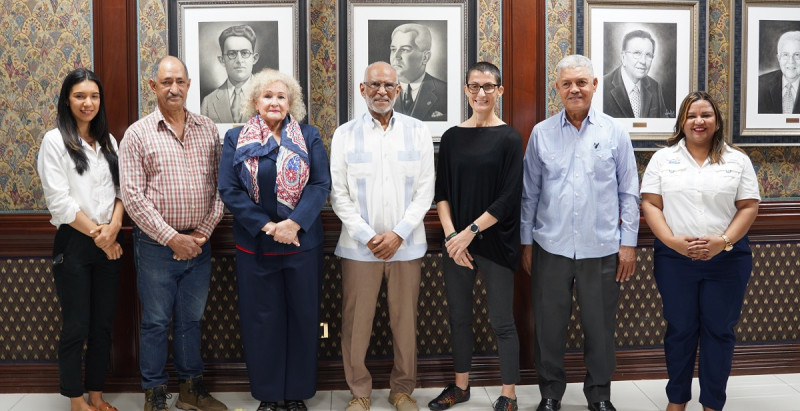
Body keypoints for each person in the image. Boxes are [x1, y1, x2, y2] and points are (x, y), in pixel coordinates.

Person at [520, 54, 640, 411]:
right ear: (557, 88)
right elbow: (530, 193)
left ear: (594, 86)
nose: (575, 89)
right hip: (550, 247)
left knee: (600, 329)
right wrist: (527, 243)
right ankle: (551, 394)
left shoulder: (615, 132)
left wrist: (629, 245)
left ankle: (599, 395)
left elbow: (629, 192)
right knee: (549, 328)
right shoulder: (541, 133)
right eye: (567, 83)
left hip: (602, 249)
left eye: (581, 82)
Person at [217, 68, 330, 411]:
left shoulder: (308, 136)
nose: (274, 102)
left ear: (291, 103)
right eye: (267, 96)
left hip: (302, 245)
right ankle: (268, 395)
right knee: (261, 320)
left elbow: (320, 185)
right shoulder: (236, 138)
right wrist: (269, 226)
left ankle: (295, 393)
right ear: (255, 101)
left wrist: (293, 224)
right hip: (255, 247)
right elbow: (229, 190)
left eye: (282, 96)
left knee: (303, 318)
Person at [119, 56, 227, 411]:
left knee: (191, 320)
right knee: (154, 321)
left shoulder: (208, 129)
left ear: (189, 84)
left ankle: (191, 390)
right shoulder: (137, 134)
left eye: (179, 81)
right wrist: (172, 238)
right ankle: (154, 394)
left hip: (199, 244)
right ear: (154, 86)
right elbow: (133, 197)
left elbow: (221, 187)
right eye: (166, 82)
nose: (174, 88)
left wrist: (202, 233)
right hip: (155, 246)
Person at [640, 91, 760, 411]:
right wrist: (672, 241)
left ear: (716, 121)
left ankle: (712, 403)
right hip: (675, 260)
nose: (699, 121)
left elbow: (748, 206)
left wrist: (723, 241)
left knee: (718, 332)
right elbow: (651, 204)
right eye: (692, 115)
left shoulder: (737, 160)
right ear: (682, 121)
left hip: (727, 260)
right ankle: (677, 399)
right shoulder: (663, 160)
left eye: (706, 115)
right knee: (680, 330)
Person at [330, 61, 435, 411]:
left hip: (406, 247)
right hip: (359, 249)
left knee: (404, 322)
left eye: (389, 85)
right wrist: (367, 236)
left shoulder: (418, 131)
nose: (381, 92)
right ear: (362, 90)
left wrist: (399, 234)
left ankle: (402, 390)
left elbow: (425, 191)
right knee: (355, 324)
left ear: (398, 90)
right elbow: (338, 194)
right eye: (374, 85)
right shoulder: (344, 134)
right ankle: (359, 392)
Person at [429, 61, 523, 411]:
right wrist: (454, 236)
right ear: (466, 91)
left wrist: (469, 232)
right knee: (459, 318)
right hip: (456, 245)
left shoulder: (510, 137)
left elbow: (508, 196)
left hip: (495, 242)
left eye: (488, 86)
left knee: (502, 321)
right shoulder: (452, 137)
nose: (480, 93)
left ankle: (508, 393)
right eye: (474, 86)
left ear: (499, 91)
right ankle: (461, 387)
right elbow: (442, 193)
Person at [37, 68, 124, 411]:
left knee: (102, 326)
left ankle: (97, 396)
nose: (88, 103)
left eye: (94, 96)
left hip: (109, 239)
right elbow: (59, 202)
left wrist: (113, 228)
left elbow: (121, 192)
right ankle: (76, 400)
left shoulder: (109, 141)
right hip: (74, 244)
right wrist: (101, 237)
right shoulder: (54, 140)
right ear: (67, 100)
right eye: (79, 96)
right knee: (76, 326)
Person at [603, 29, 670, 118]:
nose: (643, 61)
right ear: (623, 57)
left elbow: (663, 125)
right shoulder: (603, 86)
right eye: (637, 53)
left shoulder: (655, 87)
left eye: (648, 55)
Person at [201, 24, 260, 123]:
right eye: (232, 54)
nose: (239, 60)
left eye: (245, 53)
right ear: (222, 60)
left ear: (254, 58)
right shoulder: (208, 102)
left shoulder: (269, 95)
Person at [390, 23, 447, 121]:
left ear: (425, 57)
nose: (396, 56)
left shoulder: (445, 92)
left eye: (404, 49)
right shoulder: (381, 91)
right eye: (393, 49)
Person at [758, 30, 800, 114]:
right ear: (778, 58)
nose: (791, 61)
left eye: (797, 55)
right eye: (785, 55)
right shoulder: (760, 85)